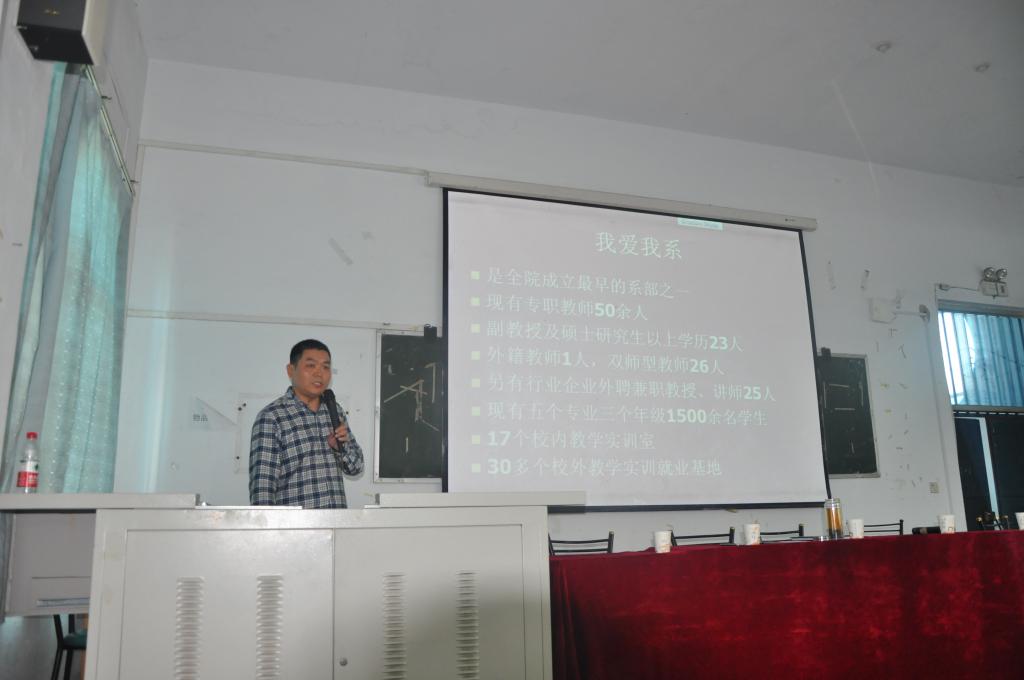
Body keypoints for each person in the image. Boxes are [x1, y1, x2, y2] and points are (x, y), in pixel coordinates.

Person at [249, 339, 364, 508]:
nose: (319, 374)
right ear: (291, 370)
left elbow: (356, 468)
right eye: (311, 365)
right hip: (295, 524)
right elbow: (262, 490)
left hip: (337, 520)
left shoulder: (335, 410)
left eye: (326, 367)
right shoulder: (272, 417)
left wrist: (341, 447)